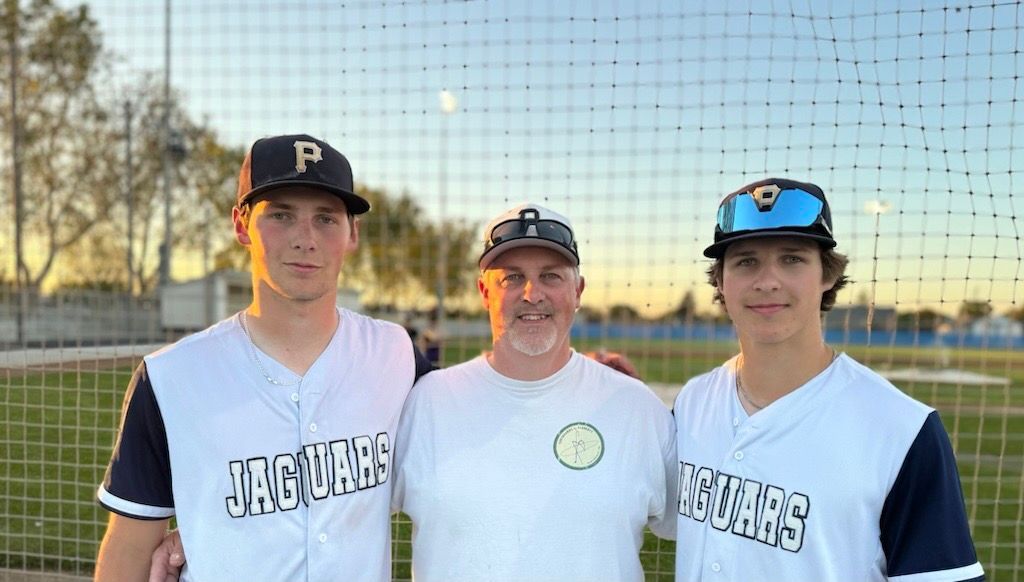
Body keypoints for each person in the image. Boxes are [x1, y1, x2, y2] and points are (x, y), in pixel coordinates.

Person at [94, 134, 430, 581]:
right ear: (240, 225)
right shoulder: (170, 377)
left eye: (326, 218)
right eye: (281, 215)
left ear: (353, 233)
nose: (305, 239)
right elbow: (129, 549)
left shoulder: (396, 354)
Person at [673, 178, 984, 581]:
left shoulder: (903, 429)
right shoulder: (693, 401)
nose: (767, 281)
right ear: (720, 280)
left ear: (828, 275)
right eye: (746, 261)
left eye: (792, 259)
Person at [391, 203, 677, 581]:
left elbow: (703, 532)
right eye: (511, 277)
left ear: (577, 290)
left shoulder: (637, 408)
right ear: (484, 292)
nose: (531, 293)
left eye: (551, 276)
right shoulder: (425, 402)